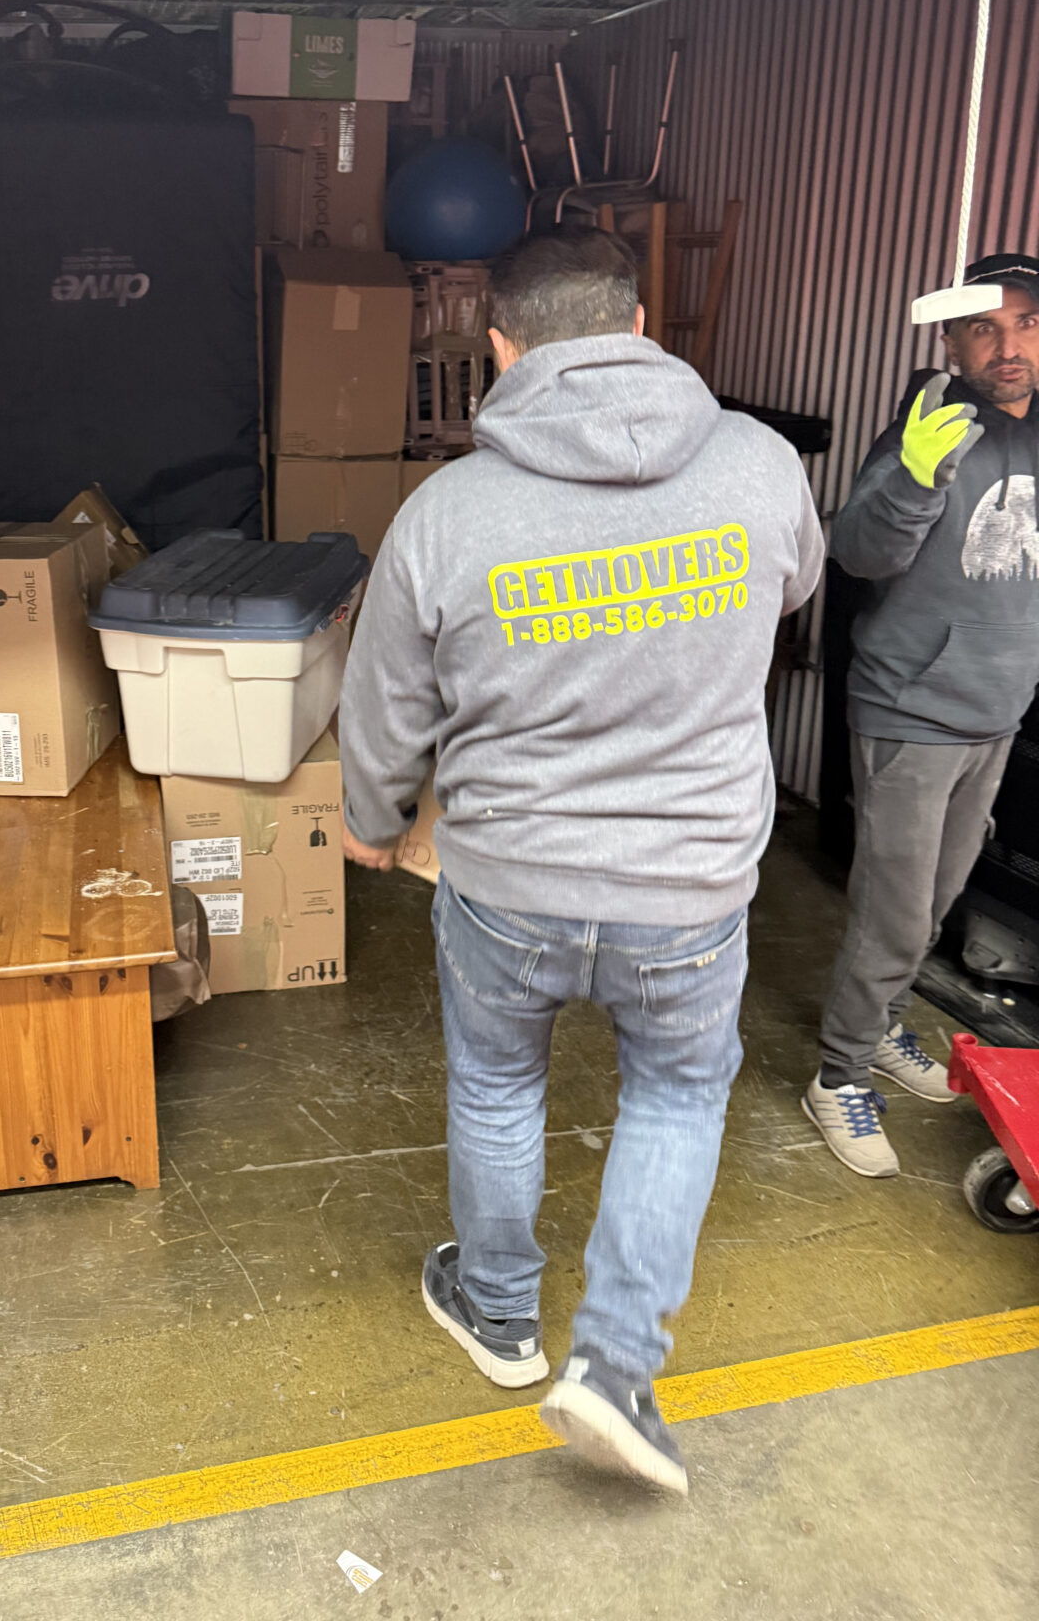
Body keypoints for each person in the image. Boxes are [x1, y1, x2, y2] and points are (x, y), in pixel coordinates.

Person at [339, 229, 823, 1496]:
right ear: (641, 321)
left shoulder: (446, 512)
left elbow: (386, 702)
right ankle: (613, 1366)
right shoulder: (762, 467)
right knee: (676, 1094)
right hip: (692, 888)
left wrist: (378, 820)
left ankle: (499, 1316)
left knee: (498, 1083)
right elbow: (795, 588)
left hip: (510, 881)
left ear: (500, 347)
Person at [805, 252, 1039, 1176]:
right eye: (985, 326)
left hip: (997, 710)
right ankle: (839, 1072)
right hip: (911, 709)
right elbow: (857, 552)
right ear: (953, 338)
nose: (1009, 346)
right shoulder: (928, 426)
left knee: (939, 904)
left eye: (1026, 323)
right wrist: (913, 476)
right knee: (895, 916)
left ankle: (886, 1025)